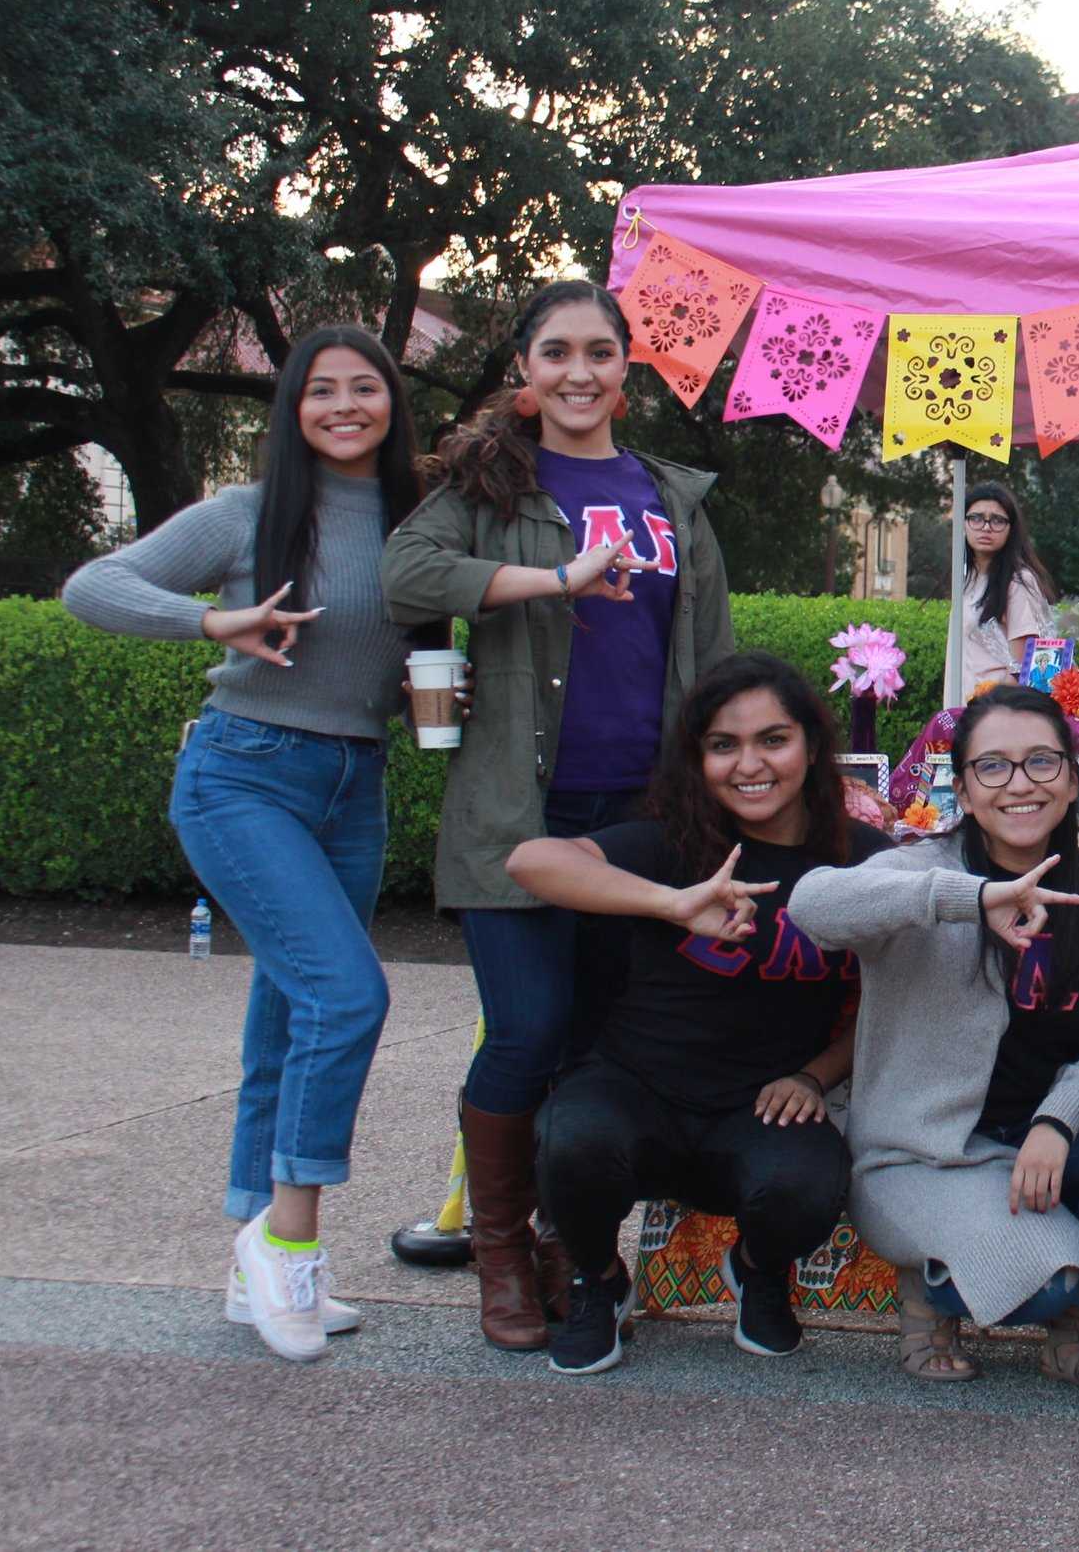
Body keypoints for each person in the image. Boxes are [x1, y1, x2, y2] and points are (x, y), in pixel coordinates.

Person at [62, 327, 427, 1362]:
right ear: (294, 407)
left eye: (367, 387)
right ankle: (289, 1240)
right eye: (323, 390)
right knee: (348, 995)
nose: (346, 404)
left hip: (355, 782)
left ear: (393, 405)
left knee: (288, 1010)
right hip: (244, 774)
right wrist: (207, 626)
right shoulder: (247, 511)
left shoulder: (411, 521)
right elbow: (93, 585)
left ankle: (247, 1256)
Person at [382, 279, 735, 1351]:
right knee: (527, 1030)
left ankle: (565, 1239)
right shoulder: (495, 479)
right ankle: (497, 1251)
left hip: (641, 817)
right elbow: (403, 571)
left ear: (627, 370)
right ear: (525, 374)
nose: (579, 371)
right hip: (519, 812)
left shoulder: (670, 493)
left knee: (596, 1043)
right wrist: (551, 579)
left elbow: (712, 654)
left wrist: (726, 790)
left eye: (599, 351)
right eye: (555, 353)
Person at [788, 683, 1079, 1408]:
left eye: (1041, 762)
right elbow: (814, 905)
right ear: (962, 786)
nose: (1019, 783)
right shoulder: (922, 869)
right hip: (926, 1154)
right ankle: (930, 1287)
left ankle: (1076, 1338)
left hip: (1045, 1143)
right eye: (992, 767)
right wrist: (966, 897)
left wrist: (1058, 1120)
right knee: (1042, 1281)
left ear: (1070, 779)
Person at [503, 654, 885, 1374]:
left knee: (810, 1182)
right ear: (697, 756)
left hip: (760, 1108)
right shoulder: (668, 840)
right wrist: (669, 902)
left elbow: (901, 999)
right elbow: (530, 860)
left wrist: (815, 1073)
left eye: (774, 739)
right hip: (635, 1091)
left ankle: (758, 1269)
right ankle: (601, 1281)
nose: (750, 764)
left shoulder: (859, 858)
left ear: (810, 745)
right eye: (723, 745)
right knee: (570, 1139)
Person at [952, 483, 1055, 695]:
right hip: (964, 710)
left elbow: (1023, 668)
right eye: (976, 518)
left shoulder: (1018, 582)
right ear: (963, 524)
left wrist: (989, 710)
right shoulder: (967, 581)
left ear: (1011, 529)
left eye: (997, 520)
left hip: (997, 713)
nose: (986, 527)